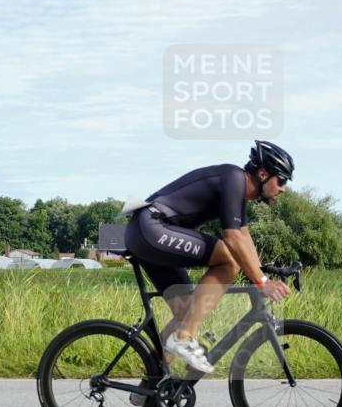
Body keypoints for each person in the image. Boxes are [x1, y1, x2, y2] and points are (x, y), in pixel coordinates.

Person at [124, 140, 294, 374]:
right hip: (151, 228)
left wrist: (261, 273)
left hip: (146, 233)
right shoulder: (234, 178)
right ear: (263, 173)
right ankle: (184, 338)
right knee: (228, 260)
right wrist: (261, 282)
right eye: (282, 180)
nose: (284, 188)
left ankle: (153, 385)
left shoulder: (237, 190)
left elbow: (244, 236)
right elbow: (232, 239)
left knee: (187, 311)